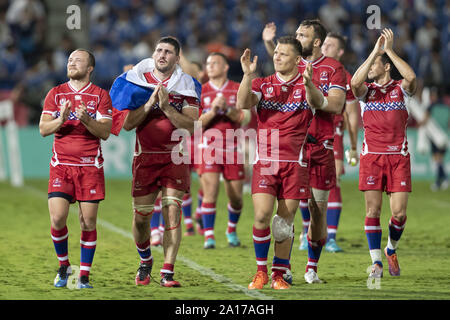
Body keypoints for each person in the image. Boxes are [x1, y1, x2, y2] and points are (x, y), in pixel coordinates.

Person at [237, 36, 328, 290]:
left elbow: (318, 103)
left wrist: (309, 83)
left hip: (294, 164)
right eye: (276, 52)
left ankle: (279, 274)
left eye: (283, 54)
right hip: (265, 161)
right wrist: (246, 75)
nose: (277, 56)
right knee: (263, 216)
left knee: (283, 224)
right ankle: (261, 272)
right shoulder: (262, 84)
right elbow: (242, 103)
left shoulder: (308, 85)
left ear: (297, 60)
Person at [262, 19, 346, 283]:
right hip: (291, 149)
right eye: (296, 33)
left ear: (317, 42)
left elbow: (335, 106)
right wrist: (268, 43)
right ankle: (282, 266)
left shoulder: (334, 69)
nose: (297, 37)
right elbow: (279, 60)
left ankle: (312, 267)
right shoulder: (294, 63)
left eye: (303, 35)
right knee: (286, 210)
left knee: (317, 210)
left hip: (320, 148)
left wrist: (312, 91)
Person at [120, 37, 201, 287]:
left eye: (168, 52)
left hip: (175, 157)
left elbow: (193, 126)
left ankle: (168, 271)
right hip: (145, 157)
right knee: (141, 218)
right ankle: (145, 260)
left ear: (178, 58)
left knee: (172, 211)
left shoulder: (186, 84)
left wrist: (166, 107)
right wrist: (149, 105)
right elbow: (127, 124)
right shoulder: (138, 81)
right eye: (159, 50)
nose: (162, 55)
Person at [39, 49, 113, 289]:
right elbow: (43, 129)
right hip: (61, 167)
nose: (71, 63)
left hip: (89, 167)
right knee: (58, 218)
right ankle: (64, 266)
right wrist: (61, 119)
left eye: (77, 60)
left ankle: (83, 276)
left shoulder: (100, 95)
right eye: (69, 60)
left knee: (88, 222)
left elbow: (105, 132)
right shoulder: (56, 93)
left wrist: (87, 120)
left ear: (89, 68)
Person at [351, 28, 417, 279]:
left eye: (375, 65)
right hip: (372, 158)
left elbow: (411, 76)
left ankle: (391, 249)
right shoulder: (366, 93)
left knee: (399, 214)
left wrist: (388, 50)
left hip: (398, 157)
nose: (369, 69)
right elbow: (354, 83)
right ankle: (376, 262)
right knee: (373, 211)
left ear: (387, 67)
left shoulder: (401, 89)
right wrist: (373, 52)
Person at [198, 52, 251, 249]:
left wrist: (227, 109)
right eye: (208, 63)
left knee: (236, 199)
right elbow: (196, 123)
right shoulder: (201, 91)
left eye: (215, 63)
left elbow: (244, 118)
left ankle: (231, 229)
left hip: (232, 149)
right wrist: (212, 110)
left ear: (225, 67)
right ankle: (209, 237)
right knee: (210, 192)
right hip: (209, 148)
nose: (210, 66)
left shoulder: (237, 89)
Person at [317, 32, 360, 252]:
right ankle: (310, 233)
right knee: (306, 185)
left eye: (330, 45)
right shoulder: (310, 68)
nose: (325, 48)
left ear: (340, 52)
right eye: (323, 43)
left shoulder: (346, 77)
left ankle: (331, 236)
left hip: (333, 134)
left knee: (333, 184)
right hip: (308, 134)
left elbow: (352, 114)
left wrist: (353, 146)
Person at [418, 86, 449, 191]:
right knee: (440, 159)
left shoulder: (431, 106)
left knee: (437, 160)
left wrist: (420, 123)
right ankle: (441, 181)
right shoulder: (446, 106)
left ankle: (442, 179)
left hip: (436, 137)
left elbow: (424, 120)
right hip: (444, 135)